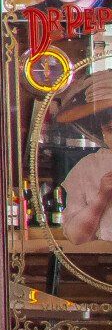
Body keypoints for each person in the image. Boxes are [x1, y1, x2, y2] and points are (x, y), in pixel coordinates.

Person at [56, 69, 112, 245]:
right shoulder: (87, 168)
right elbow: (76, 237)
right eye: (111, 129)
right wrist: (102, 197)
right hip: (95, 267)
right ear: (101, 130)